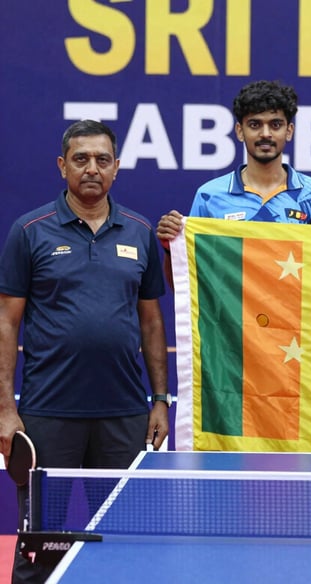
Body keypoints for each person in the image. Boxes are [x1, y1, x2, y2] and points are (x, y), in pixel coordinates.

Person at [0, 120, 171, 583]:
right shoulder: (30, 231)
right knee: (40, 545)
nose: (91, 168)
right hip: (47, 413)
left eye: (102, 159)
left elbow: (152, 322)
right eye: (81, 159)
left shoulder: (138, 231)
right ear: (62, 166)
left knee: (122, 542)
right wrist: (5, 409)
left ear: (116, 167)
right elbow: (6, 322)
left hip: (123, 415)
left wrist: (159, 400)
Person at [157, 80, 311, 281]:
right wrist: (172, 246)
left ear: (289, 131)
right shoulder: (210, 196)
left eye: (275, 125)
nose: (265, 134)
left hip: (296, 302)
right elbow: (191, 282)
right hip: (231, 303)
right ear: (239, 131)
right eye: (255, 125)